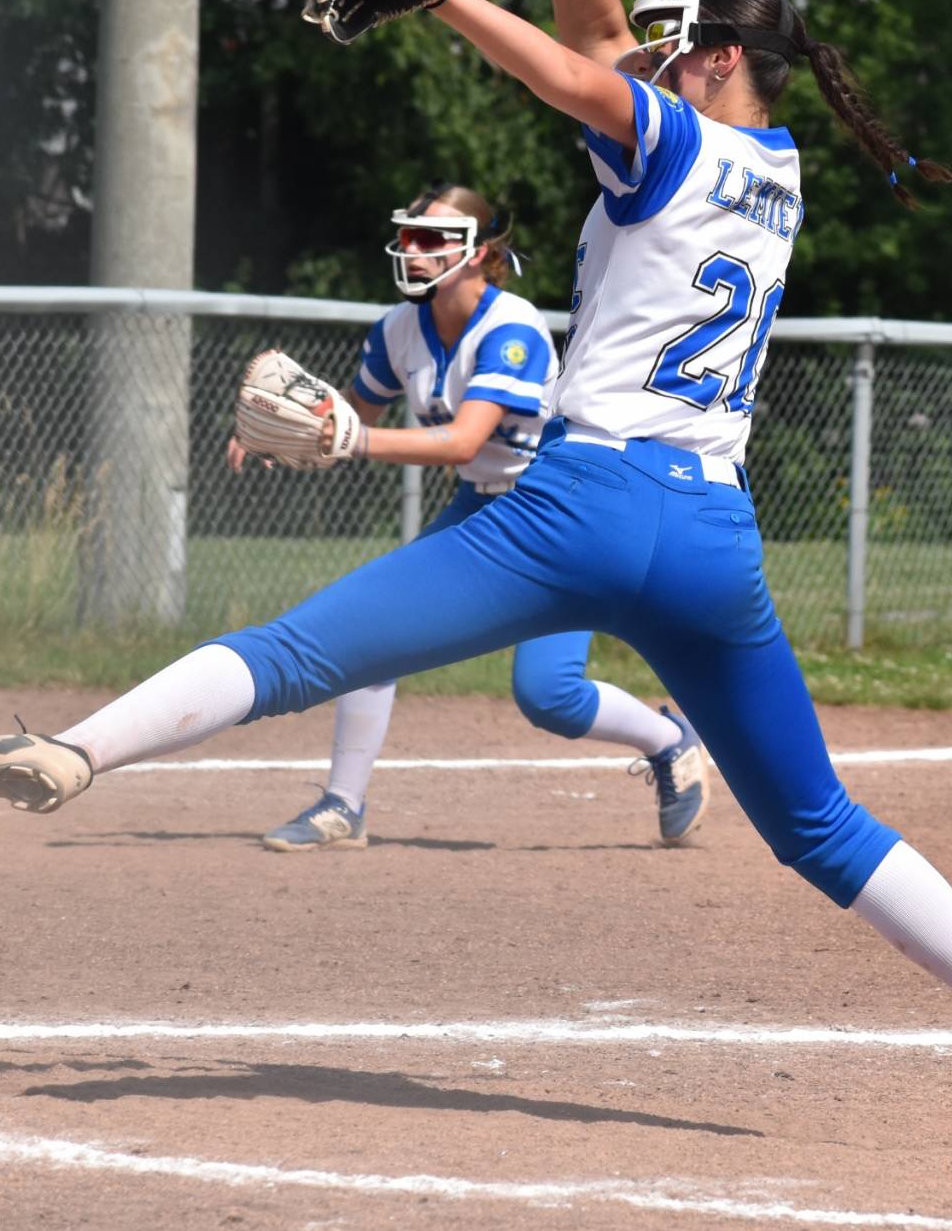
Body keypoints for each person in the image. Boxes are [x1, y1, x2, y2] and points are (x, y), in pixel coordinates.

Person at [0, 0, 952, 1140]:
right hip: (711, 534)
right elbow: (597, 43)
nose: (658, 54)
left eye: (683, 43)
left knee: (298, 650)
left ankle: (71, 752)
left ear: (723, 57)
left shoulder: (672, 139)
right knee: (818, 823)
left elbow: (562, 68)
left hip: (582, 507)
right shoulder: (776, 170)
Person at [235, 182, 707, 853]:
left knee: (548, 694)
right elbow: (352, 413)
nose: (413, 250)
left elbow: (462, 441)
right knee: (369, 631)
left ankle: (669, 740)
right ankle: (343, 806)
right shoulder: (398, 330)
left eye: (432, 239)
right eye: (409, 235)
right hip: (478, 507)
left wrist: (349, 440)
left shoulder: (510, 327)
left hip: (556, 514)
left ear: (478, 253)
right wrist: (291, 428)